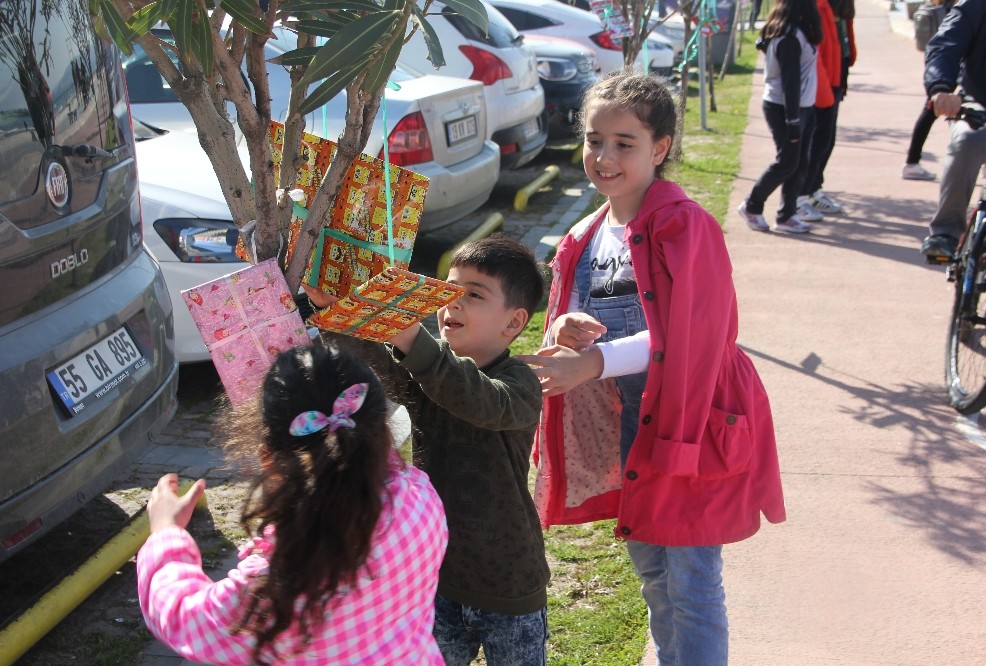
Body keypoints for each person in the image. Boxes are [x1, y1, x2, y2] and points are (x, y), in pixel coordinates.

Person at [517, 68, 786, 666]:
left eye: (624, 143)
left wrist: (595, 361)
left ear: (660, 148)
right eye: (593, 140)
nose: (603, 156)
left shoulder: (683, 225)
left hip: (691, 417)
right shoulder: (587, 233)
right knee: (652, 570)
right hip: (630, 422)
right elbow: (584, 315)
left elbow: (691, 334)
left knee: (691, 577)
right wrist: (566, 328)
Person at [304, 234, 550, 665]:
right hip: (433, 578)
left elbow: (479, 399)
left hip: (509, 585)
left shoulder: (519, 384)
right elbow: (374, 362)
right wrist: (331, 311)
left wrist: (414, 340)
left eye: (473, 295)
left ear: (513, 323)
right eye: (449, 290)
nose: (452, 304)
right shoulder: (424, 368)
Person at [136, 343, 448, 665]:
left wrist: (166, 532)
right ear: (382, 429)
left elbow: (182, 617)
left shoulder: (278, 588)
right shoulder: (420, 499)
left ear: (267, 458)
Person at [919, 0, 986, 261]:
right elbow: (945, 45)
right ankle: (945, 233)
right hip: (982, 105)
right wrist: (941, 88)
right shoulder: (981, 4)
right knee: (969, 139)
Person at [738, 0, 823, 234]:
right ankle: (752, 205)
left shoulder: (797, 31)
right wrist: (793, 121)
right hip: (783, 107)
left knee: (799, 161)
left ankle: (787, 214)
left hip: (802, 106)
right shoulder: (788, 38)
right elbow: (790, 83)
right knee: (787, 161)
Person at [796, 0, 845, 221]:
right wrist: (825, 92)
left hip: (831, 82)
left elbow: (834, 46)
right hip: (819, 90)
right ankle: (801, 197)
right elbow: (816, 56)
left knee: (826, 142)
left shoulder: (826, 6)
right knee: (813, 146)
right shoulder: (812, 7)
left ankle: (814, 190)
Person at [902, 0, 953, 181]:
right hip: (947, 62)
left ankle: (912, 162)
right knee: (932, 109)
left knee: (933, 110)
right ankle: (912, 162)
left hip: (943, 59)